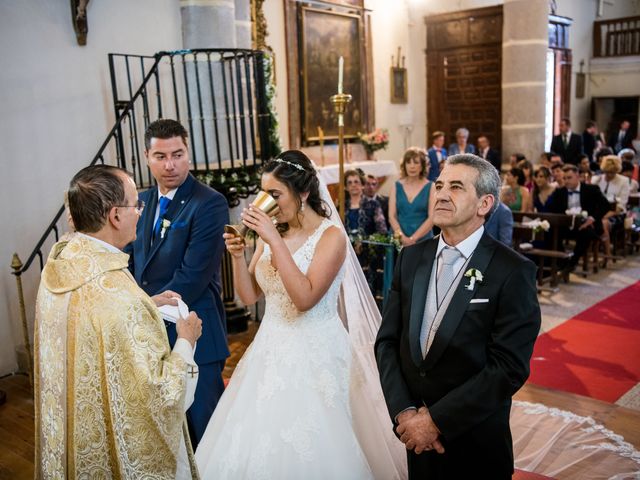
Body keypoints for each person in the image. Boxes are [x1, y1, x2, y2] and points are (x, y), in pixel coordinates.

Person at [195, 150, 406, 479]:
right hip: (268, 349)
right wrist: (238, 256)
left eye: (276, 194)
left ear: (304, 192)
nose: (268, 202)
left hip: (316, 353)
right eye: (264, 194)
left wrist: (272, 241)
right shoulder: (273, 231)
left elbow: (305, 298)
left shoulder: (331, 237)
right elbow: (250, 296)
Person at [375, 153, 541, 479]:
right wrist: (406, 413)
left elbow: (508, 367)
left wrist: (436, 421)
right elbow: (387, 342)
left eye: (456, 187)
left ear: (484, 204)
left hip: (474, 438)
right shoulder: (411, 258)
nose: (441, 194)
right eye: (438, 186)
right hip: (416, 438)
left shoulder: (512, 271)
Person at [35, 165, 202, 478]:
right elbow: (164, 396)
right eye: (136, 205)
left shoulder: (60, 264)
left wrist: (146, 306)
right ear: (115, 215)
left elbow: (85, 317)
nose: (140, 212)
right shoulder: (122, 298)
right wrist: (186, 340)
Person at [124, 119, 229, 447]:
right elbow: (129, 259)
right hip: (151, 334)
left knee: (205, 429)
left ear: (188, 153)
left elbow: (192, 277)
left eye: (177, 154)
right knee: (169, 431)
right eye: (160, 156)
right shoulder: (141, 201)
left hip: (195, 328)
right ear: (146, 156)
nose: (170, 165)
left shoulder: (209, 202)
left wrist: (139, 305)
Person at [547, 164, 611, 273]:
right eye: (564, 178)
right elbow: (553, 209)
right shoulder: (559, 192)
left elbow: (605, 205)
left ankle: (573, 262)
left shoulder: (591, 189)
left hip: (588, 225)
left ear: (577, 176)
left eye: (569, 178)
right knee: (550, 231)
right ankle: (562, 260)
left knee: (585, 233)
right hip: (567, 225)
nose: (566, 181)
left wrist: (592, 218)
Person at [389, 147, 435, 246]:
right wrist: (402, 238)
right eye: (408, 162)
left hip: (423, 239)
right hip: (399, 239)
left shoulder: (431, 186)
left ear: (422, 165)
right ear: (404, 165)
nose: (412, 166)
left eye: (416, 163)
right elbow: (391, 216)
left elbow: (432, 218)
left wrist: (413, 239)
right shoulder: (396, 186)